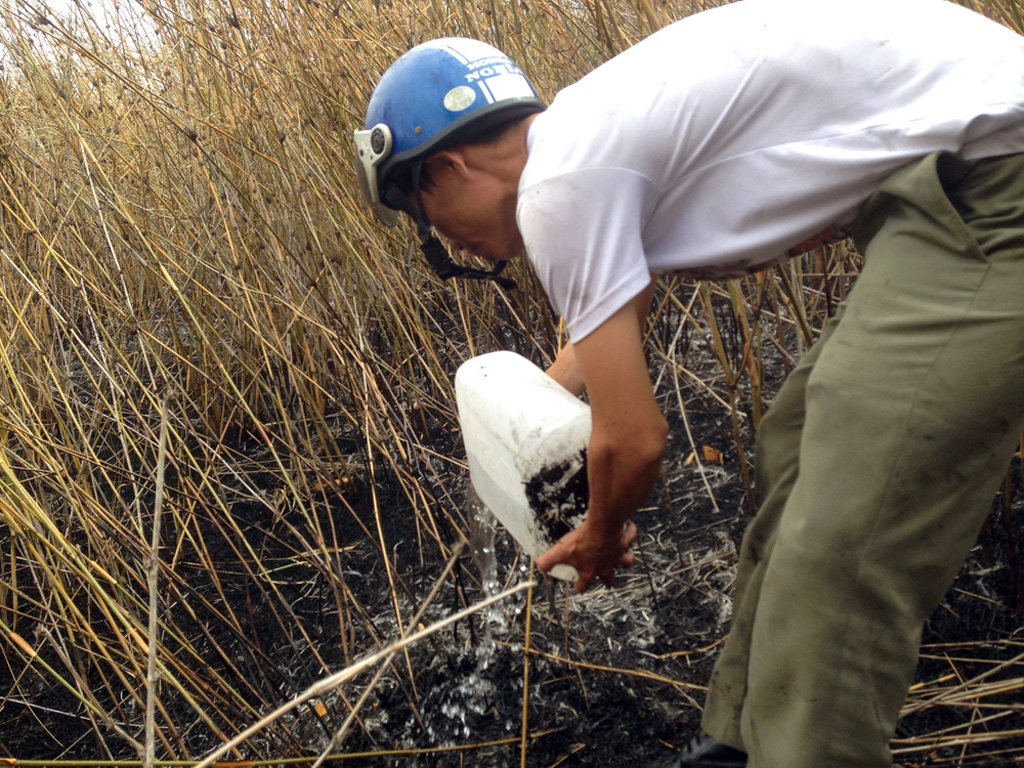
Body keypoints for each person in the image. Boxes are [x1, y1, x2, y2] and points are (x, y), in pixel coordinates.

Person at [353, 0, 1024, 765]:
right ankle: (737, 742)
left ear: (448, 167)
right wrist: (527, 412)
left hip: (997, 184)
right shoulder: (581, 141)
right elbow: (609, 325)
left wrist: (599, 535)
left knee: (842, 546)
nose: (439, 236)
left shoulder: (559, 186)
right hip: (944, 187)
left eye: (419, 211)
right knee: (796, 445)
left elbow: (635, 443)